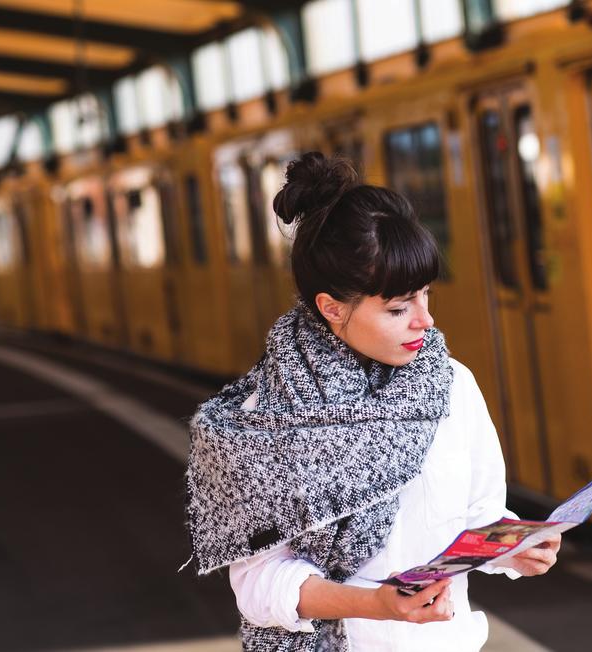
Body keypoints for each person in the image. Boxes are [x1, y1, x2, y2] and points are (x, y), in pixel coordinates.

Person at [185, 152, 560, 651]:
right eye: (399, 307)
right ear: (332, 308)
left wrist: (513, 547)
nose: (424, 320)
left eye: (426, 294)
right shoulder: (258, 424)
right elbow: (259, 587)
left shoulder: (452, 385)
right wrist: (376, 605)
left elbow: (475, 517)